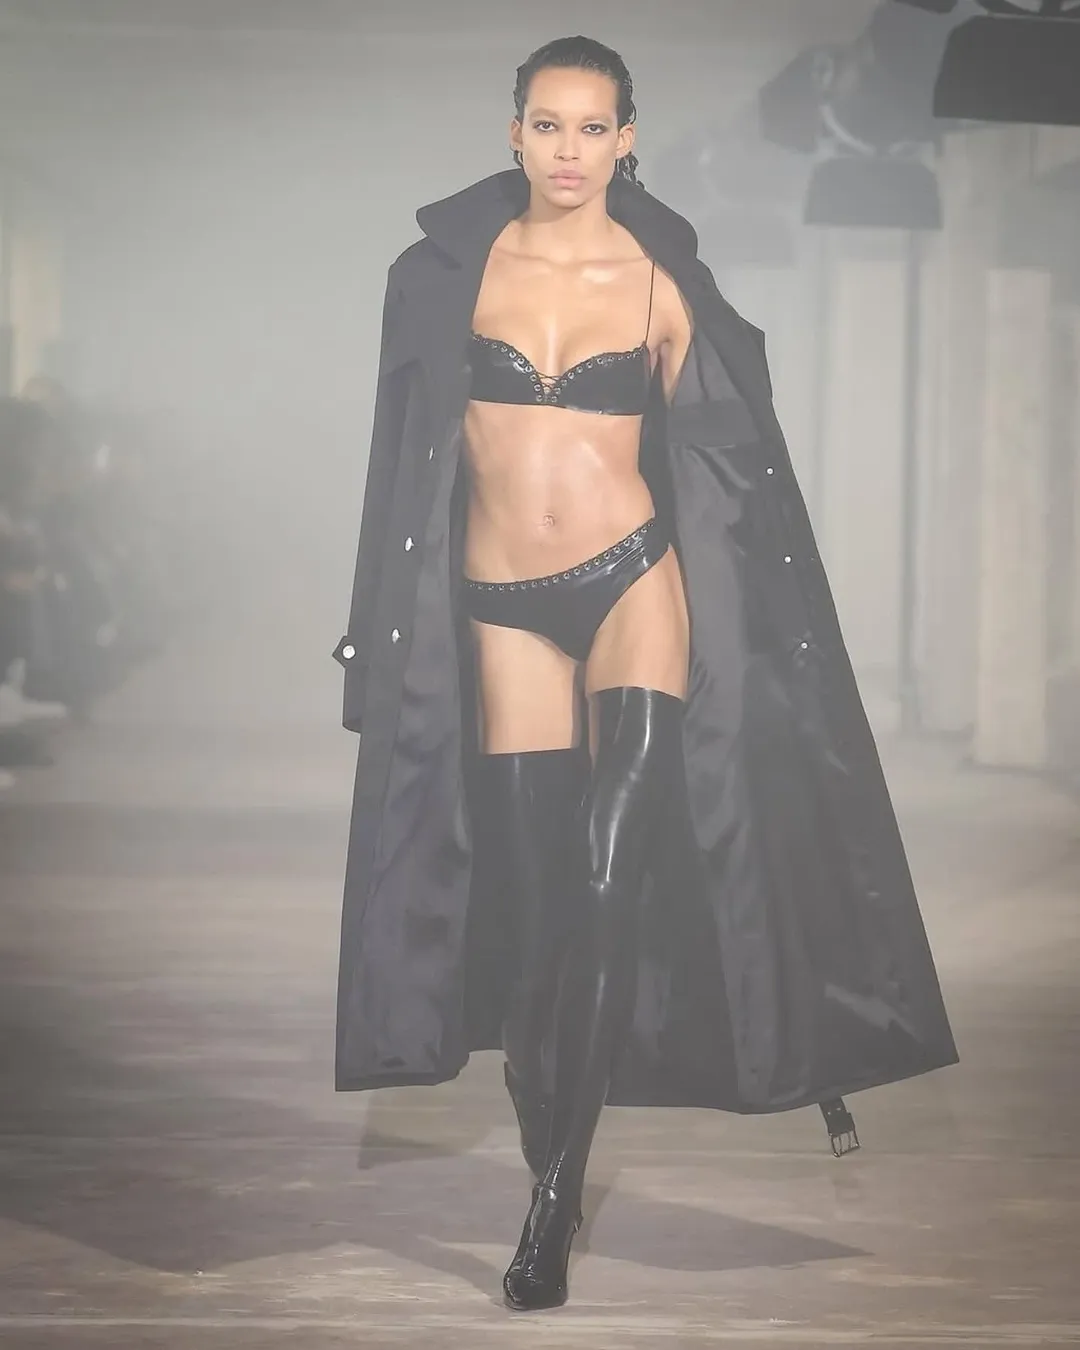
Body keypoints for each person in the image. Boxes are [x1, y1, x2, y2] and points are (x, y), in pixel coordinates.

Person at [332, 35, 957, 1312]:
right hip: (503, 605)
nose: (568, 150)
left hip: (632, 585)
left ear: (627, 139)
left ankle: (552, 1201)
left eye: (592, 128)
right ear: (514, 131)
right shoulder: (442, 276)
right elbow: (398, 464)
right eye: (547, 124)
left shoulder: (662, 281)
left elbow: (735, 471)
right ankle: (548, 1151)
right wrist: (367, 625)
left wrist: (783, 635)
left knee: (607, 883)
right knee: (534, 911)